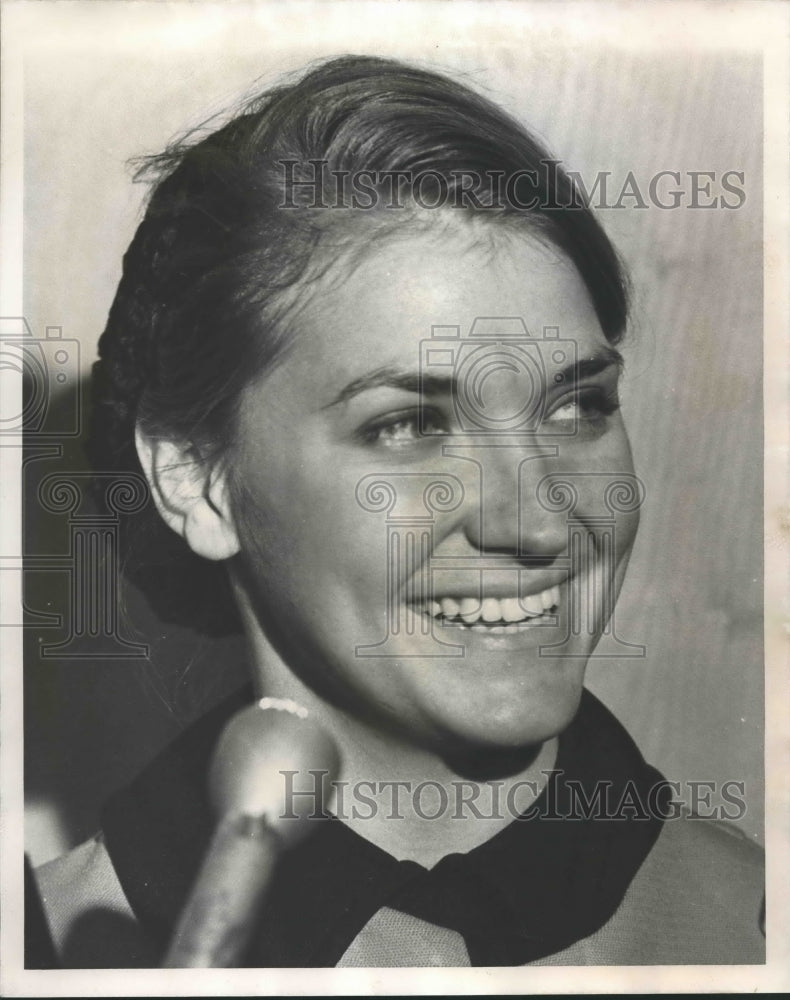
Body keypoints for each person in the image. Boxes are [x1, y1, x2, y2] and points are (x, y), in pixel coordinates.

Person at [29, 54, 764, 968]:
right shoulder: (51, 951)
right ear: (194, 479)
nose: (538, 524)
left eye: (576, 408)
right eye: (411, 425)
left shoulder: (759, 922)